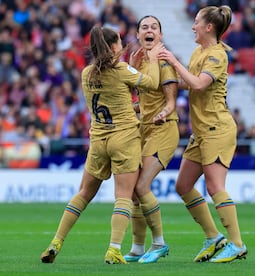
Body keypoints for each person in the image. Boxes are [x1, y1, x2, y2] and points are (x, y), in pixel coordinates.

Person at [40, 25, 163, 264]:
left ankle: (56, 241)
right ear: (114, 47)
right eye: (119, 42)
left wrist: (130, 68)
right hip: (124, 138)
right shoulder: (120, 68)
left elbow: (116, 94)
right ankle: (114, 249)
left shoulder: (86, 73)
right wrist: (155, 58)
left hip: (98, 139)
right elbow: (152, 83)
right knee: (124, 197)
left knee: (84, 193)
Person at [158, 5, 248, 263]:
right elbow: (188, 82)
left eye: (196, 22)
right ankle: (213, 237)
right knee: (183, 186)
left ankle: (237, 244)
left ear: (209, 27)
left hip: (217, 129)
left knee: (215, 186)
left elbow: (198, 84)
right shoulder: (200, 51)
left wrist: (173, 61)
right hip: (201, 131)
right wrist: (164, 77)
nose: (193, 26)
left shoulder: (218, 55)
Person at [123, 15, 179, 264]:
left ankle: (159, 243)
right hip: (144, 130)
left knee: (141, 186)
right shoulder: (140, 64)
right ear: (137, 35)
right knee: (134, 192)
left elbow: (170, 101)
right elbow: (142, 104)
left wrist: (164, 112)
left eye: (154, 27)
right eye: (144, 27)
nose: (149, 30)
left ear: (161, 35)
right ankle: (137, 247)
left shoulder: (164, 61)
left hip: (164, 129)